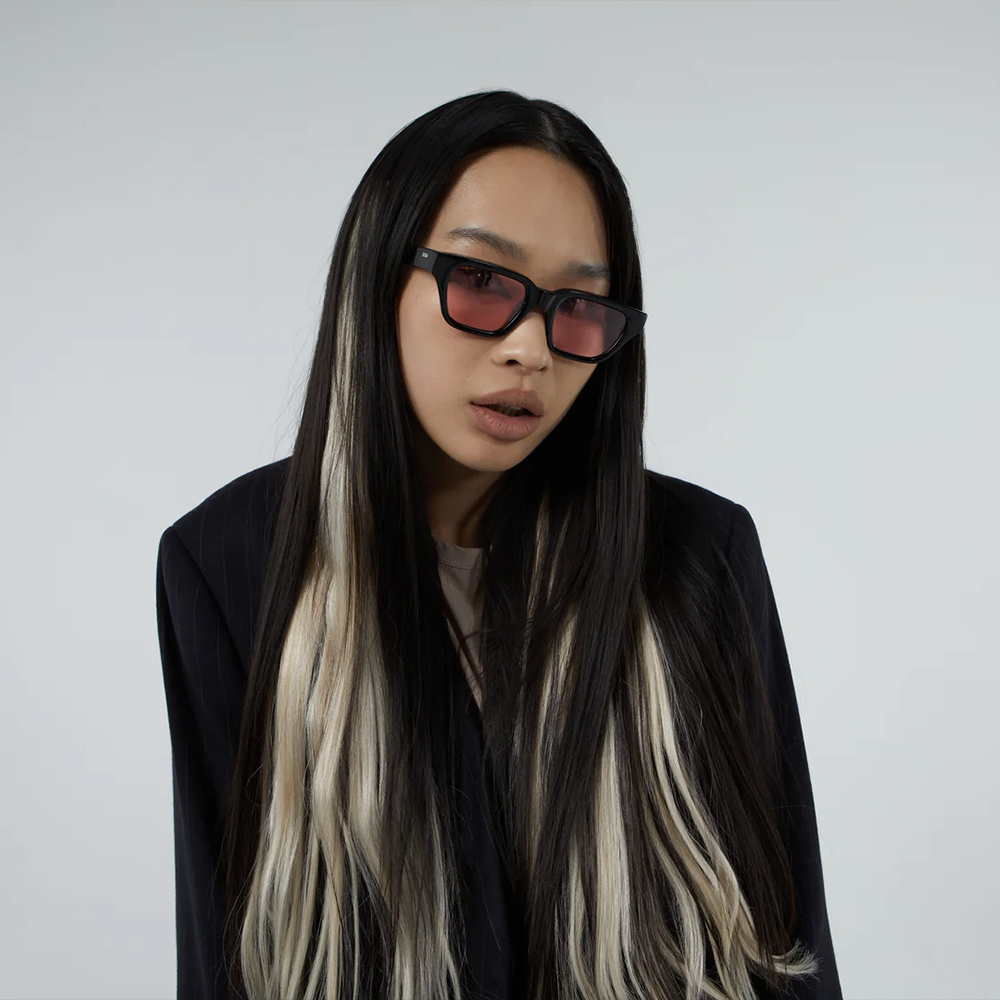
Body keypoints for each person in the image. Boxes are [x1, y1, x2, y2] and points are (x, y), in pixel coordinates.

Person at [155, 90, 842, 1000]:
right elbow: (225, 955)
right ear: (376, 278)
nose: (531, 349)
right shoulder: (230, 560)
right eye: (481, 281)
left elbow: (787, 936)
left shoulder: (698, 556)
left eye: (579, 306)